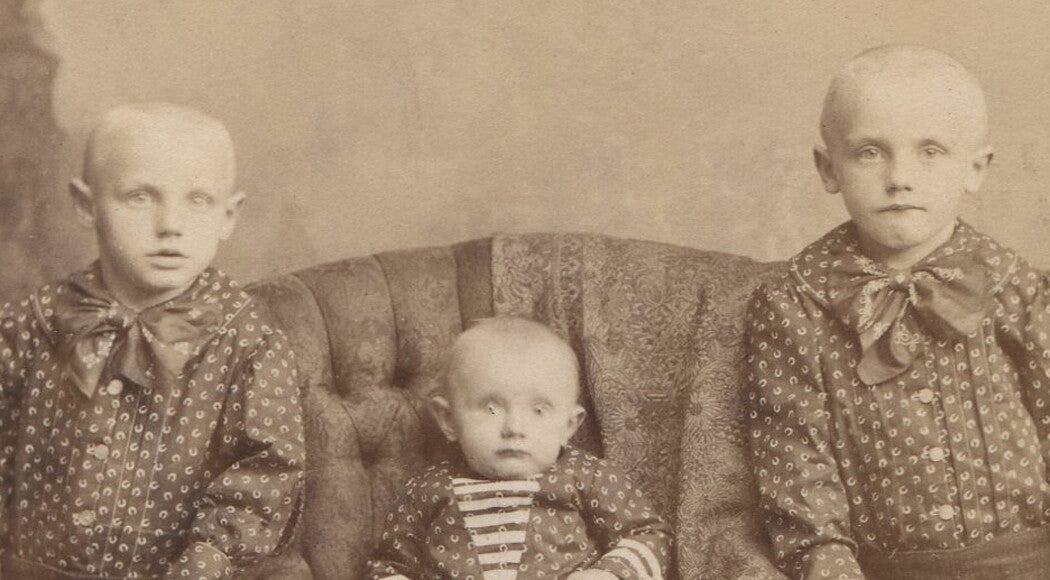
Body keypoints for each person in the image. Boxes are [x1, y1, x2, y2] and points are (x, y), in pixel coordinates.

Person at [746, 44, 1050, 580]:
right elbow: (795, 463)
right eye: (870, 152)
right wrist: (829, 566)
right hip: (881, 568)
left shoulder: (1015, 285)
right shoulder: (794, 301)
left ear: (975, 169)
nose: (899, 177)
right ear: (828, 166)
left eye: (930, 150)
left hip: (1028, 557)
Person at [0, 102, 305, 579]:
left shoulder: (249, 342)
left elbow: (266, 476)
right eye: (140, 197)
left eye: (197, 200)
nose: (171, 225)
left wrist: (203, 564)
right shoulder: (29, 324)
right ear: (86, 206)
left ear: (228, 215)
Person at [367, 317, 672, 579]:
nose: (514, 428)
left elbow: (649, 535)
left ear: (569, 426)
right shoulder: (427, 489)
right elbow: (390, 565)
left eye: (539, 410)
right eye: (490, 408)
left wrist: (607, 574)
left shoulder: (587, 476)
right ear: (449, 420)